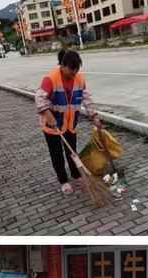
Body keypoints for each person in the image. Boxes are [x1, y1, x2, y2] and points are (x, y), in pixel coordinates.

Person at [35, 49, 102, 197]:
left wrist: (95, 116)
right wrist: (47, 114)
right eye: (72, 70)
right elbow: (39, 98)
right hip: (53, 125)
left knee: (72, 152)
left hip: (70, 124)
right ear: (63, 66)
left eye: (77, 70)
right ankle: (63, 181)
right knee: (56, 154)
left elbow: (87, 99)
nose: (74, 73)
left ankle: (76, 175)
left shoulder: (79, 79)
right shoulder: (51, 79)